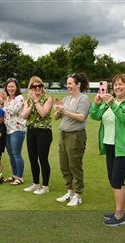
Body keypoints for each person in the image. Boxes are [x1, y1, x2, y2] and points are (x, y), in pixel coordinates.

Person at [91, 74, 125, 225]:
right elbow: (95, 116)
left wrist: (113, 104)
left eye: (121, 84)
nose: (118, 87)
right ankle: (119, 211)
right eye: (116, 84)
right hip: (110, 145)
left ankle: (120, 216)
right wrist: (97, 104)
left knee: (117, 180)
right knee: (114, 179)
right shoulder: (109, 100)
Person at [54, 73, 91, 207]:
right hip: (63, 134)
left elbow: (82, 117)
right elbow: (56, 117)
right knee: (64, 165)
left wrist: (64, 111)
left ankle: (78, 195)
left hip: (76, 136)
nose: (68, 86)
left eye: (70, 83)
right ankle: (69, 192)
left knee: (75, 165)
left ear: (78, 84)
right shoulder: (66, 98)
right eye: (67, 83)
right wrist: (58, 109)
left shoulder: (84, 99)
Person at [22, 76, 53, 195]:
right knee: (32, 158)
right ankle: (35, 183)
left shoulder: (47, 98)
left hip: (43, 132)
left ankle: (45, 186)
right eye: (35, 86)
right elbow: (24, 115)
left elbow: (44, 113)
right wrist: (31, 102)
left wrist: (35, 101)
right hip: (31, 130)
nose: (38, 88)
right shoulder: (28, 100)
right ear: (31, 88)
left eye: (40, 86)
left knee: (43, 159)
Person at [0, 78, 26, 185]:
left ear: (16, 88)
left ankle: (19, 177)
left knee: (16, 153)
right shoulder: (7, 99)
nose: (10, 88)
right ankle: (14, 175)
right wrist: (1, 103)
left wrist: (4, 102)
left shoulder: (20, 98)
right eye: (8, 86)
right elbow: (1, 111)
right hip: (7, 129)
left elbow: (12, 110)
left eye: (12, 86)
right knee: (10, 154)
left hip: (17, 129)